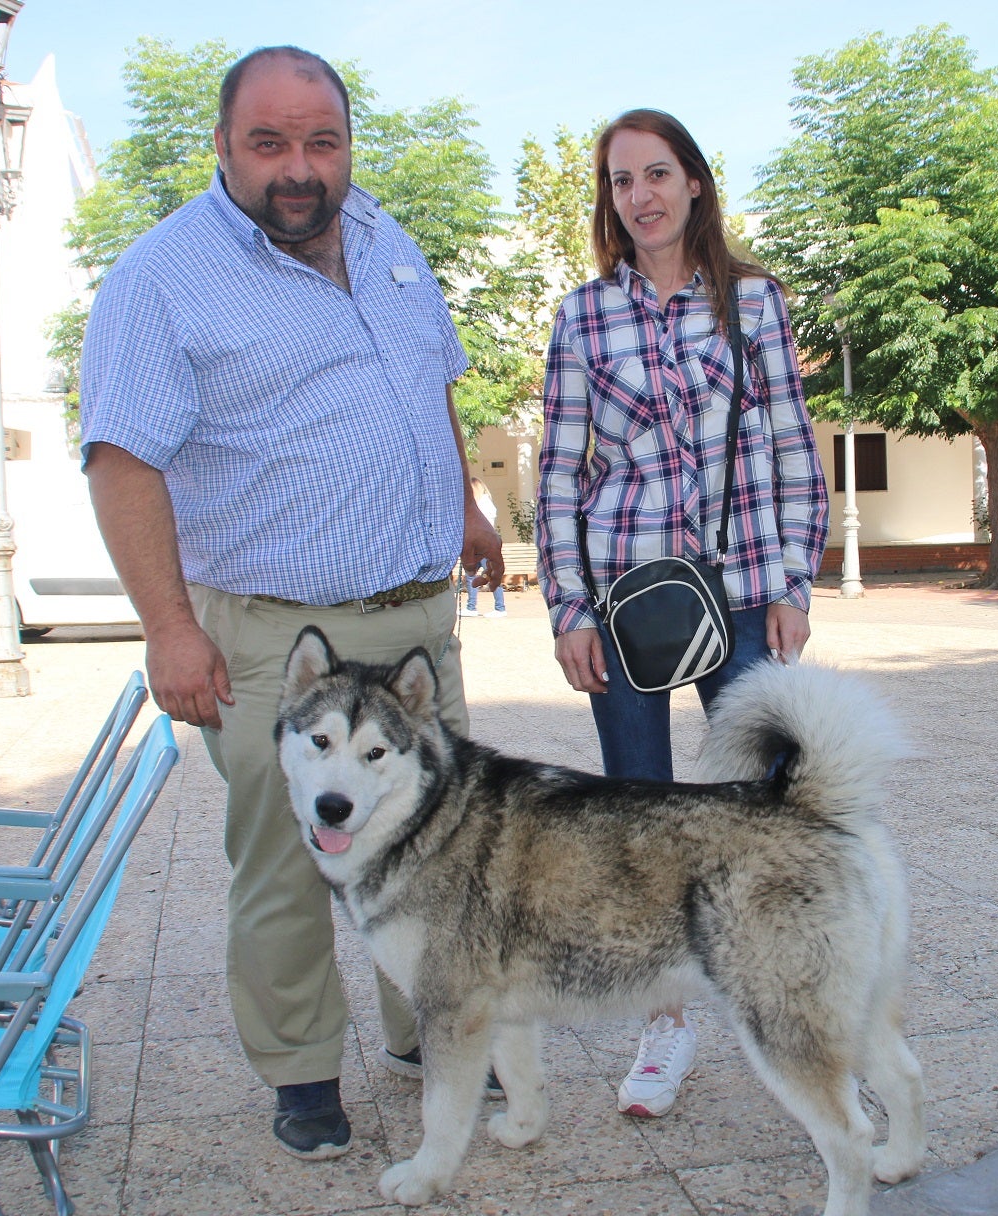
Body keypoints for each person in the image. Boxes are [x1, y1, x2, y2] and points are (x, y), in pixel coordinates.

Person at [77, 45, 502, 1162]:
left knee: (439, 849)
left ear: (348, 143)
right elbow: (122, 461)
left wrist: (464, 504)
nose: (300, 169)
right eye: (269, 144)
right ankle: (304, 1070)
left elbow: (433, 381)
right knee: (290, 860)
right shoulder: (159, 278)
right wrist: (169, 626)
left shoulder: (386, 237)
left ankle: (430, 1033)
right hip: (283, 642)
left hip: (417, 627)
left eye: (322, 141)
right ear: (222, 146)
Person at [536, 109, 829, 1120]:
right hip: (624, 599)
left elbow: (792, 449)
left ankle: (789, 1009)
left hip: (742, 586)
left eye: (657, 173)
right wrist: (568, 608)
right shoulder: (582, 316)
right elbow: (560, 471)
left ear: (695, 182)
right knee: (639, 816)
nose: (640, 195)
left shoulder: (754, 303)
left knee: (768, 811)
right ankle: (669, 1024)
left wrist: (793, 580)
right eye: (620, 181)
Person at [460, 477, 506, 617]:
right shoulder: (484, 503)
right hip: (480, 547)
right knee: (471, 576)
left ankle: (500, 608)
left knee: (490, 575)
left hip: (483, 548)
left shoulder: (482, 505)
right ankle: (472, 607)